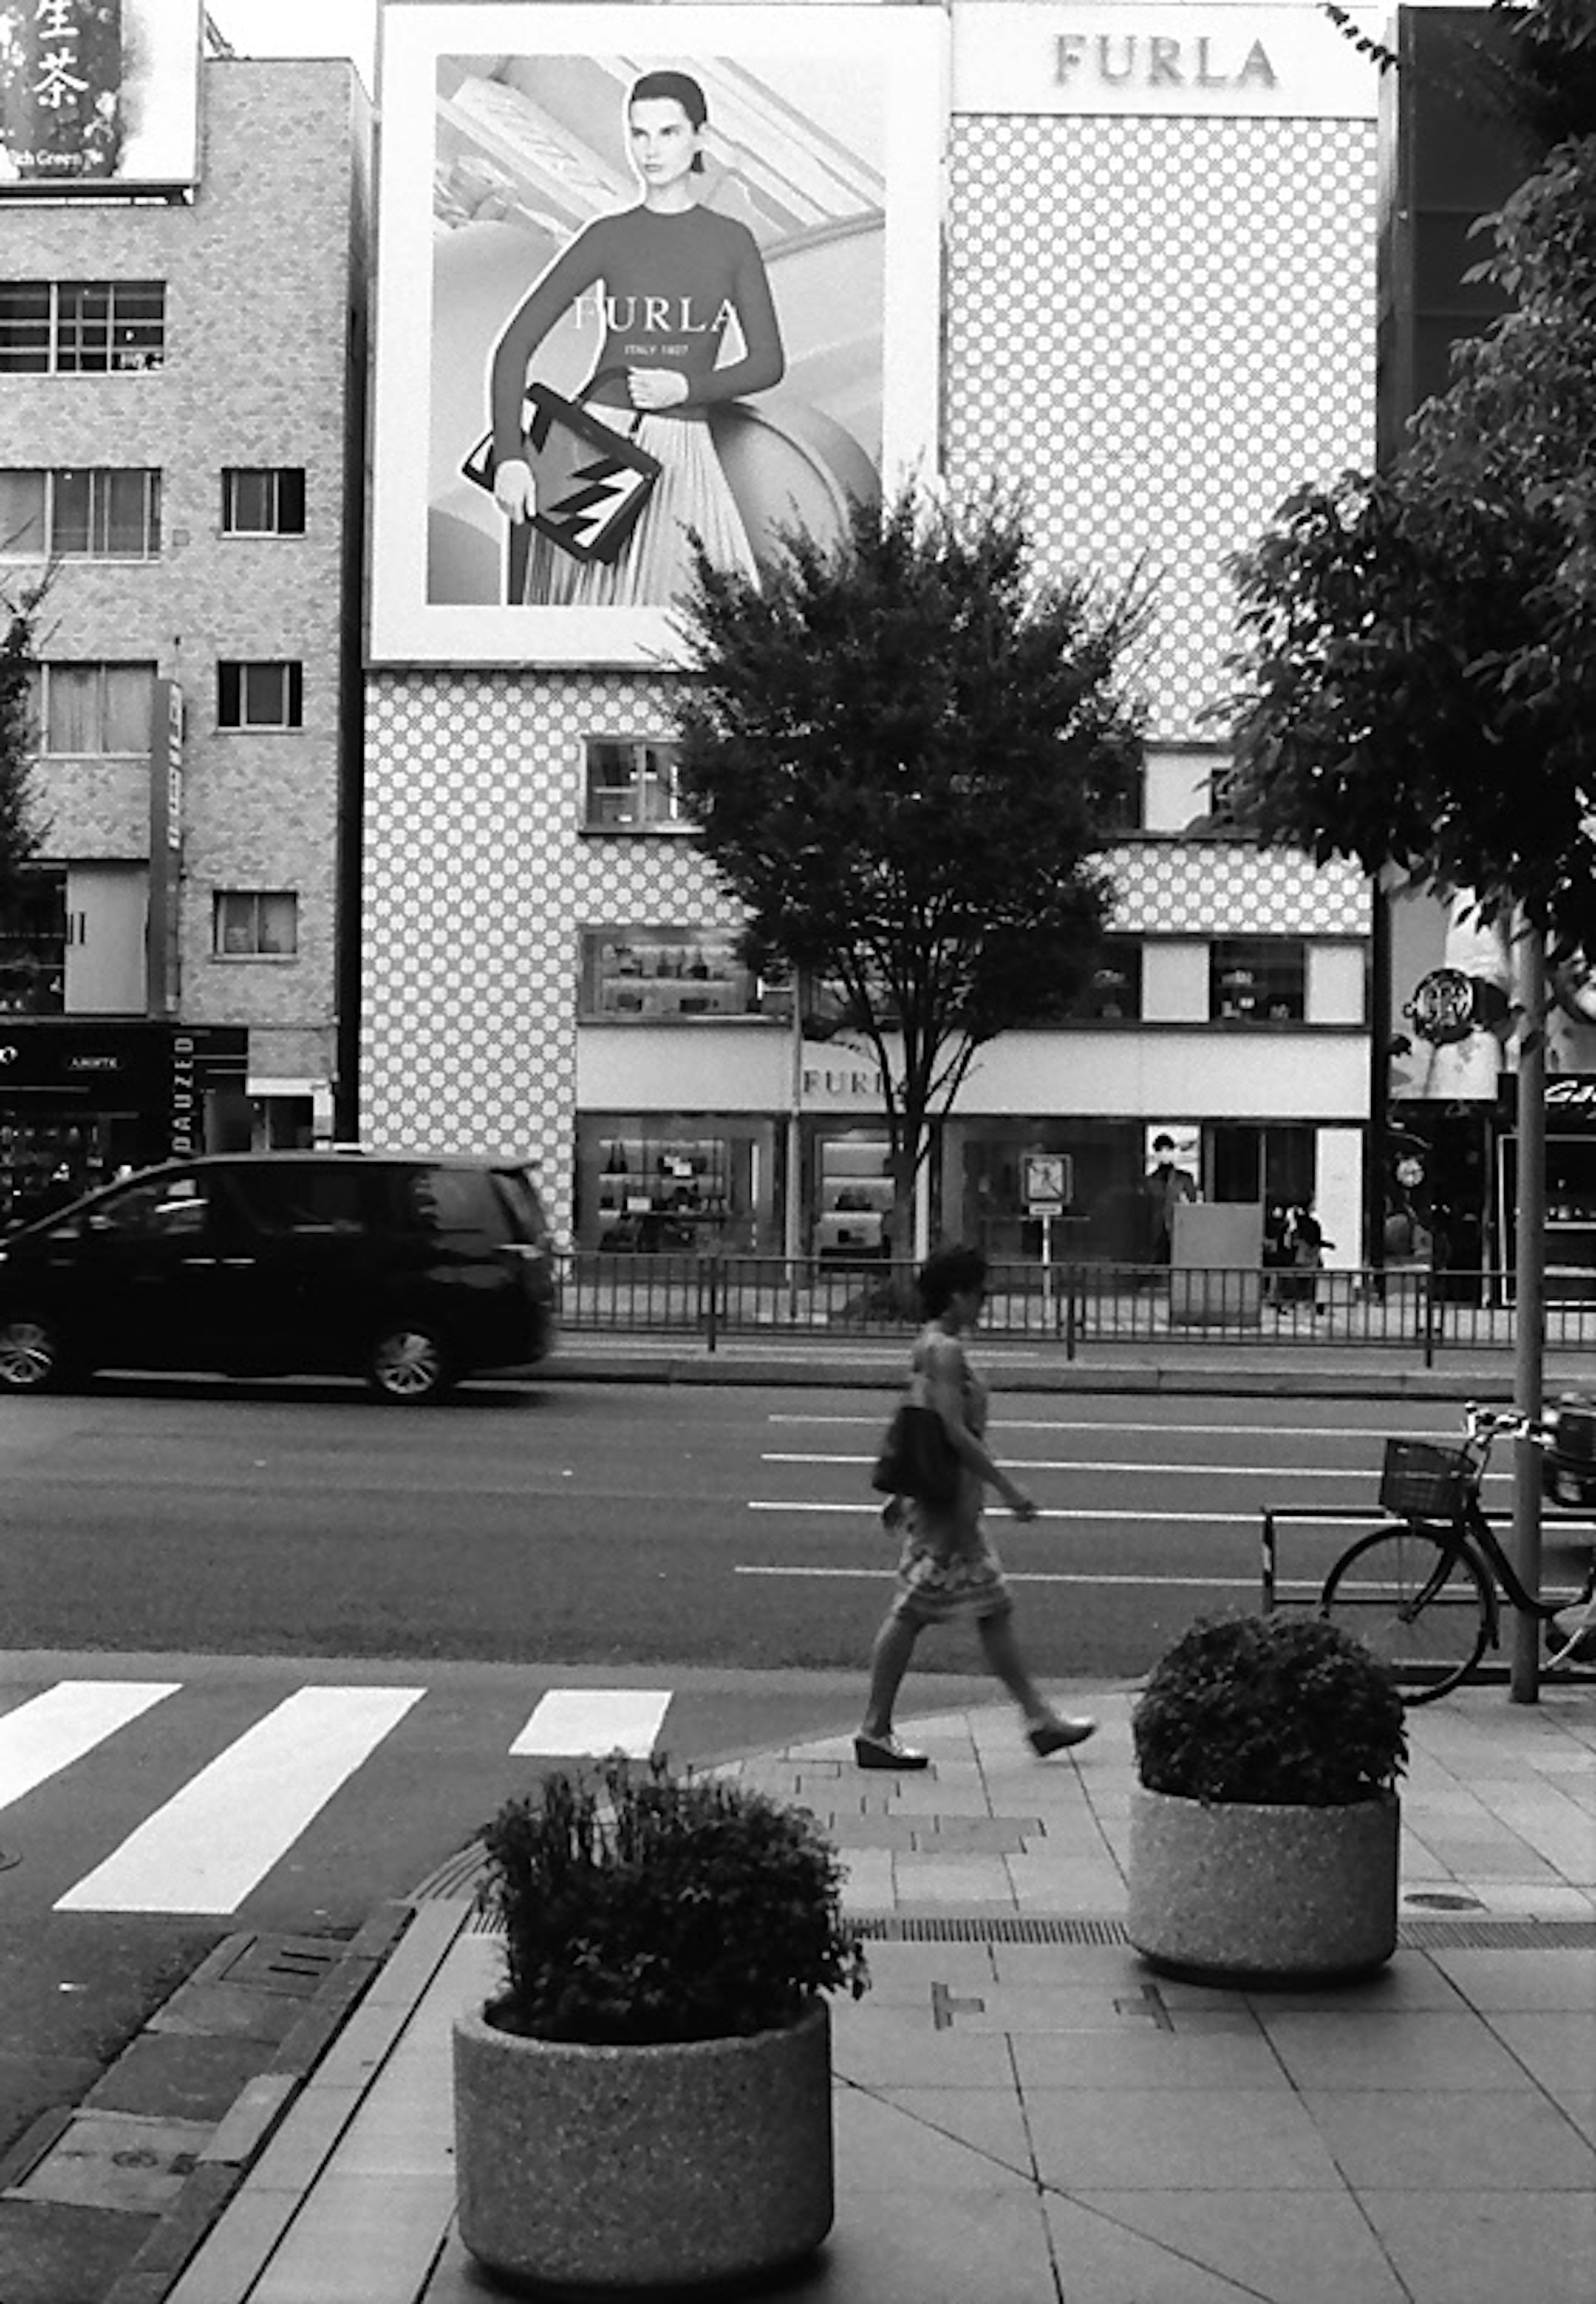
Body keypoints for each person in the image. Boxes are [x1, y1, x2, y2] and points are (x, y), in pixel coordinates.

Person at [488, 69, 785, 609]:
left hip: (683, 452)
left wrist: (686, 387)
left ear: (701, 138)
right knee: (578, 629)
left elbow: (768, 362)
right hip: (595, 448)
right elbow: (513, 348)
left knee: (719, 621)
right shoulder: (608, 236)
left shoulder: (732, 242)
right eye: (639, 133)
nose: (650, 150)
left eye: (668, 133)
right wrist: (510, 456)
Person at [854, 1244, 1096, 1770]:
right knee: (915, 1609)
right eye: (980, 1293)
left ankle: (1038, 1719)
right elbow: (951, 1430)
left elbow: (921, 1425)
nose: (985, 1303)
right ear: (958, 1294)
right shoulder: (944, 1351)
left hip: (951, 1504)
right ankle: (874, 1727)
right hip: (951, 1508)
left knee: (991, 1607)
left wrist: (907, 1491)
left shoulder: (934, 1345)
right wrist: (1009, 1487)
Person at [1143, 1133, 1198, 1265]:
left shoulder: (1184, 1178)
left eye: (1168, 1150)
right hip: (1155, 1232)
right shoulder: (1150, 1181)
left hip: (1179, 1229)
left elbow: (1193, 1206)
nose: (1165, 1153)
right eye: (1161, 1150)